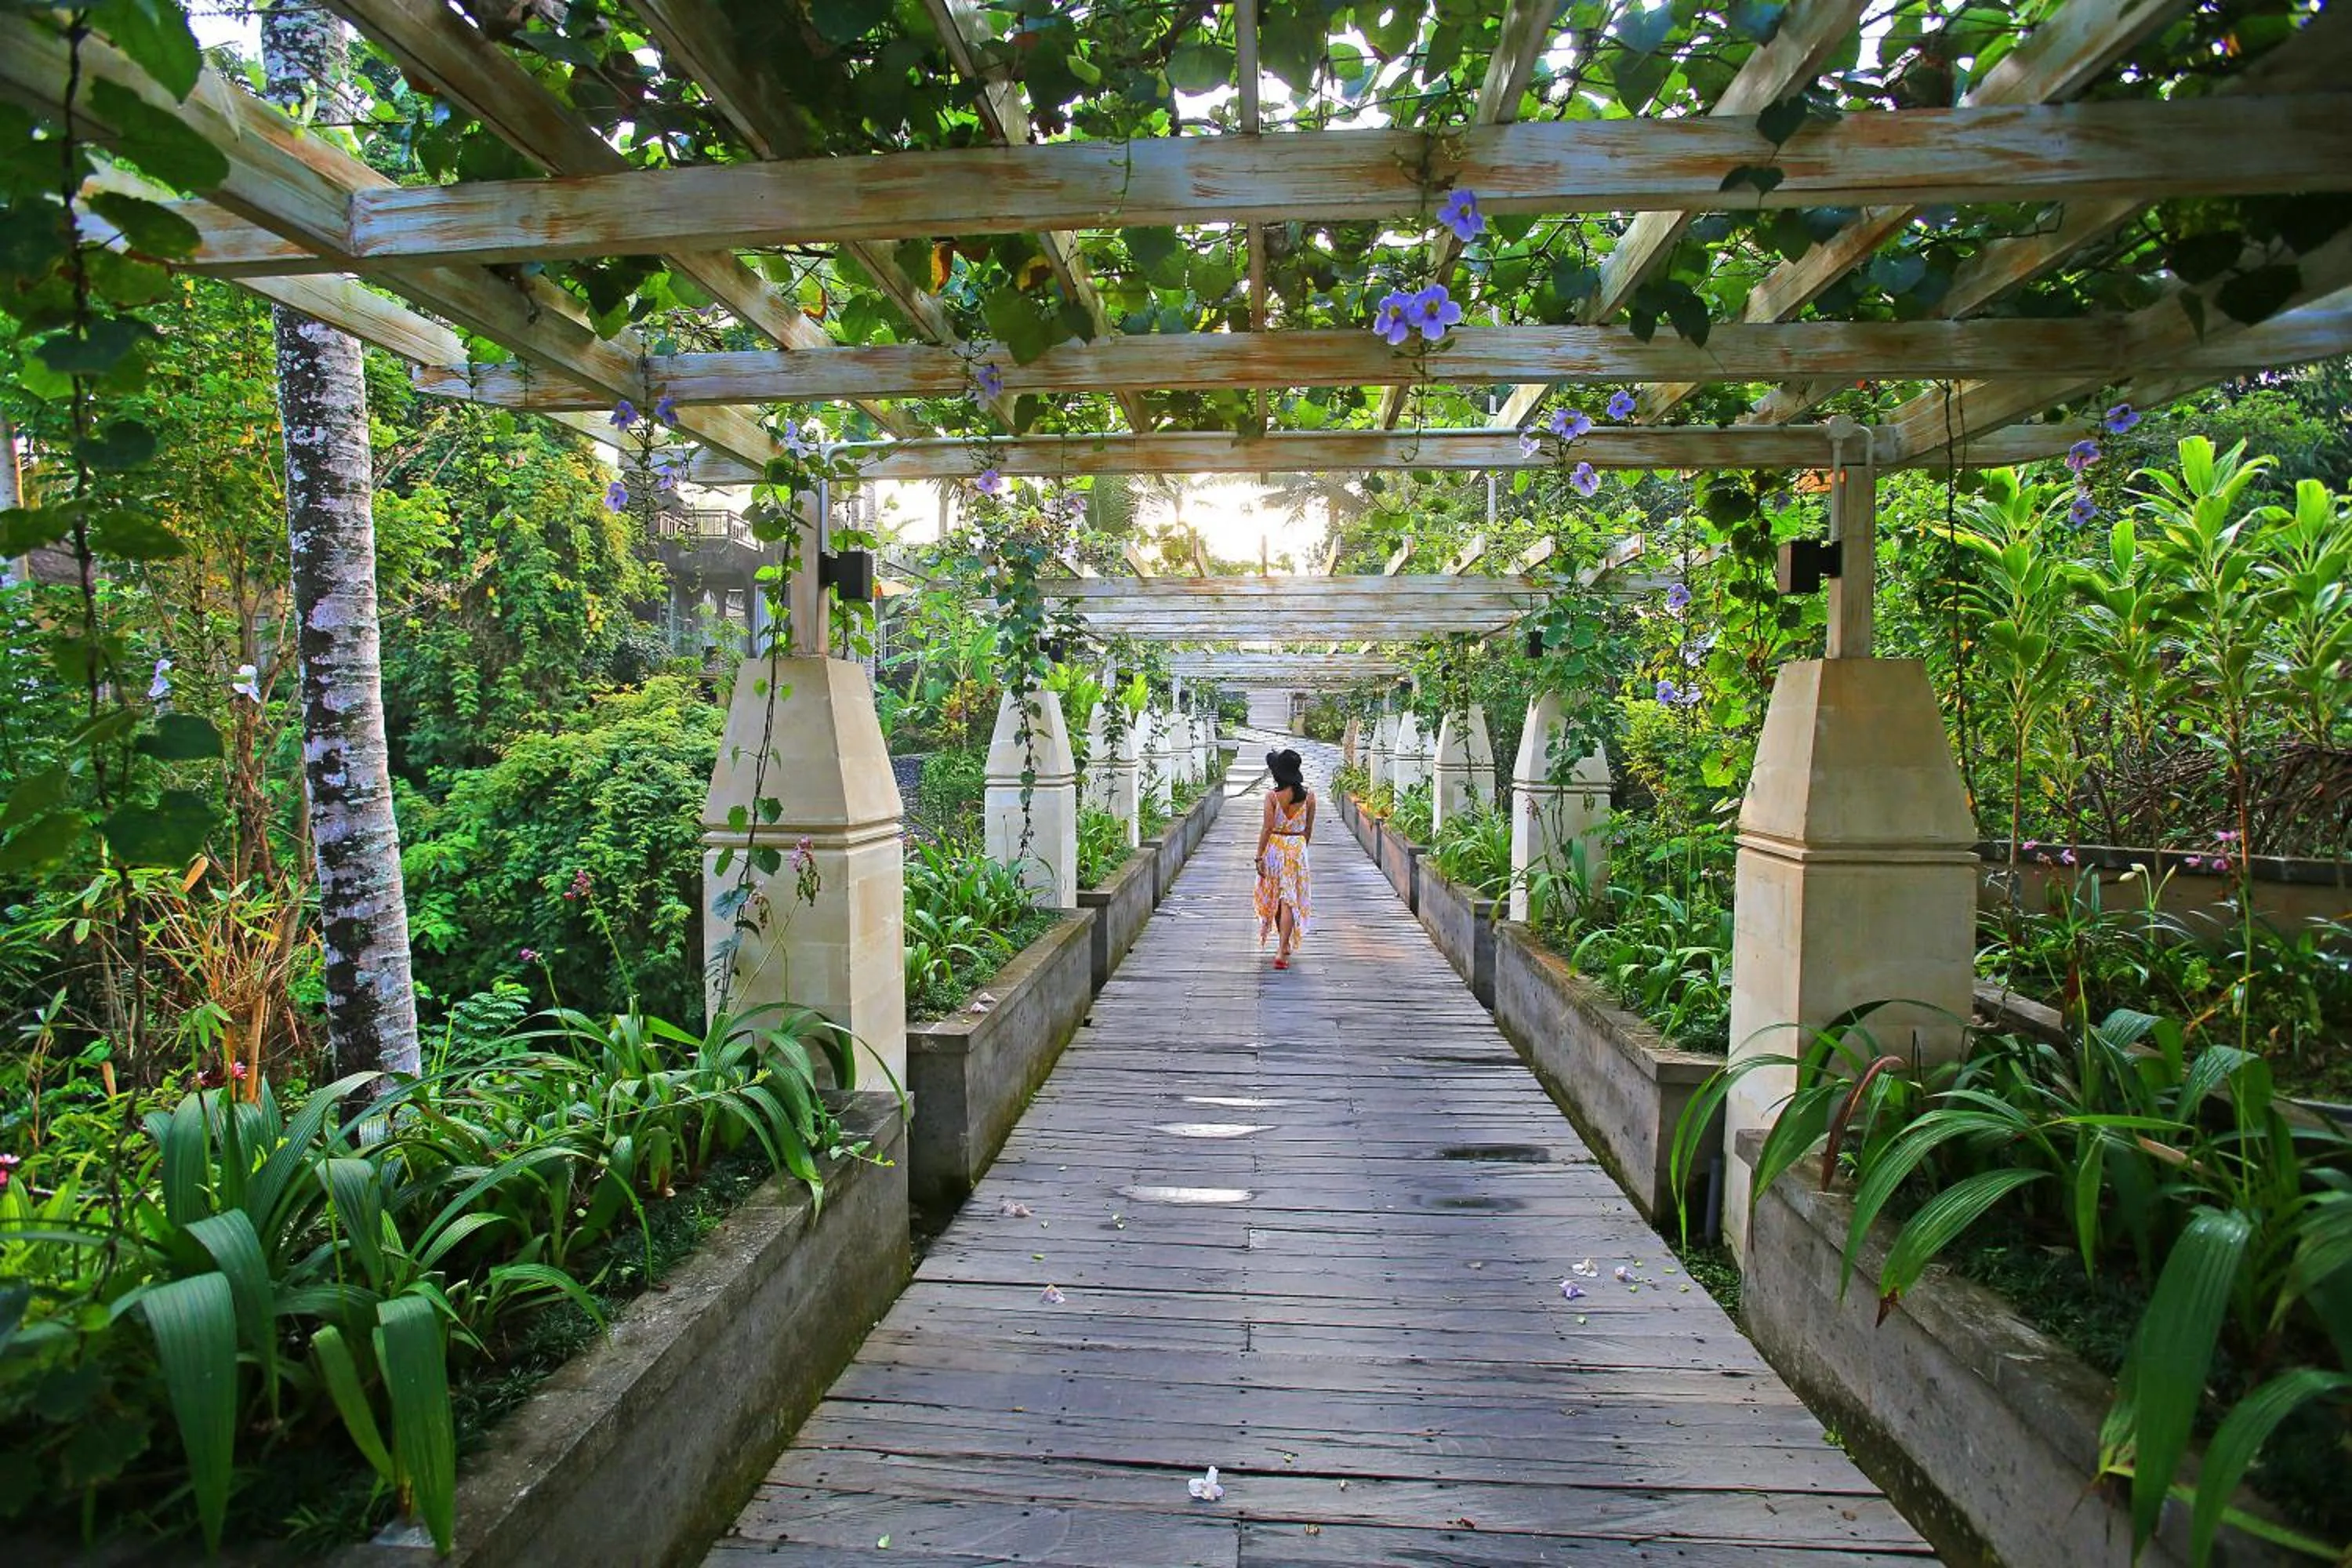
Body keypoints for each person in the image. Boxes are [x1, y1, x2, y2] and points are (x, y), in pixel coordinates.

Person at [1254, 749, 1315, 970]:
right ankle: (1284, 946)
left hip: (1275, 846)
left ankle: (1282, 949)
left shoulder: (1272, 797)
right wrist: (1300, 851)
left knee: (1279, 895)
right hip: (1297, 846)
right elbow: (1308, 829)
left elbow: (1268, 827)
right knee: (1288, 898)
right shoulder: (1309, 797)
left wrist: (1259, 855)